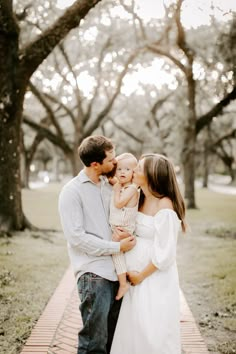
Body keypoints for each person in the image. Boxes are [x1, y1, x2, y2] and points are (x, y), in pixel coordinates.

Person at [58, 135, 136, 354]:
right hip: (94, 275)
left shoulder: (111, 185)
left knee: (114, 341)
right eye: (111, 159)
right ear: (95, 164)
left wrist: (129, 235)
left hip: (118, 272)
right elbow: (77, 238)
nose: (115, 163)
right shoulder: (71, 192)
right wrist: (117, 247)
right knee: (94, 343)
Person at [110, 153, 187, 354]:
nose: (133, 171)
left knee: (152, 331)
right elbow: (143, 233)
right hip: (135, 278)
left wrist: (140, 275)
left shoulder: (165, 206)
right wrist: (127, 234)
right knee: (133, 328)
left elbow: (166, 253)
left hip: (153, 279)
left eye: (139, 169)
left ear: (152, 176)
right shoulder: (140, 197)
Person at [109, 153, 139, 300]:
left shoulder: (132, 189)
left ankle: (123, 284)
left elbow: (119, 203)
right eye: (119, 169)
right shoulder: (122, 184)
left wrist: (115, 191)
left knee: (117, 252)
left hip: (124, 228)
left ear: (134, 172)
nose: (122, 172)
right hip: (117, 226)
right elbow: (111, 179)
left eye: (127, 169)